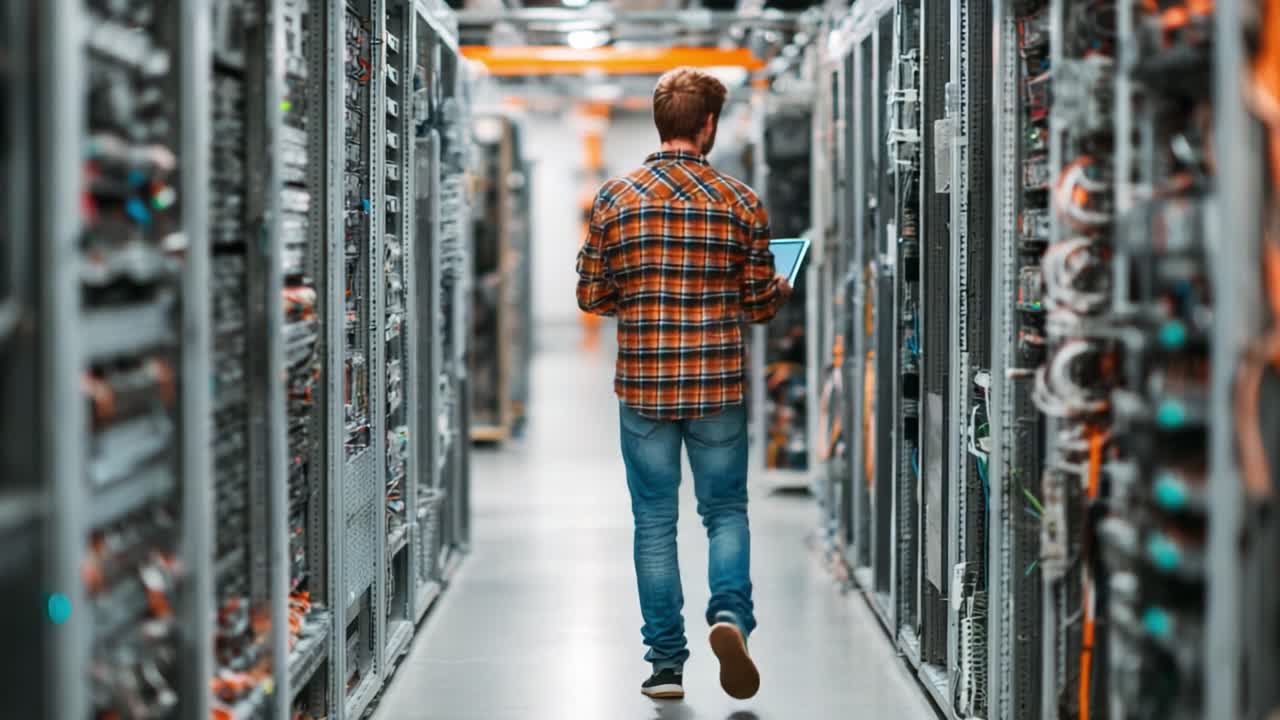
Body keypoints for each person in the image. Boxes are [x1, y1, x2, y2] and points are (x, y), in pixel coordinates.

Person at [575, 67, 792, 702]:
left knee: (653, 522)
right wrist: (776, 287)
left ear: (660, 122)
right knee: (724, 511)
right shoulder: (740, 200)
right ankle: (730, 617)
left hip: (644, 386)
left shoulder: (615, 198)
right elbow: (757, 305)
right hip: (717, 386)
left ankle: (666, 667)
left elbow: (590, 294)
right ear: (708, 126)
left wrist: (640, 296)